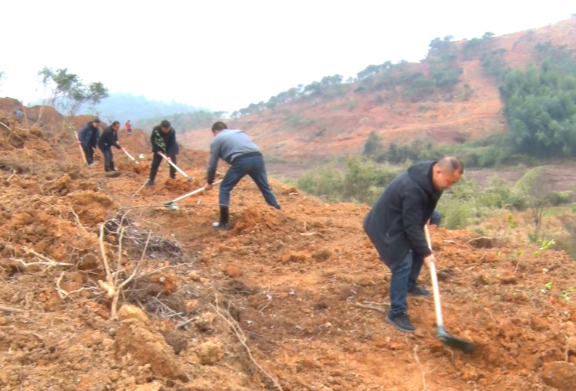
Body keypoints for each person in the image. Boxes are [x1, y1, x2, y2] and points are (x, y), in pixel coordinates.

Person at [363, 157, 463, 333]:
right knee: (403, 263)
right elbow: (410, 226)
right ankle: (396, 312)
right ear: (438, 172)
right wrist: (426, 253)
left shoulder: (433, 179)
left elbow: (424, 209)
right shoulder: (413, 188)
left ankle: (409, 284)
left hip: (402, 216)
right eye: (449, 182)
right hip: (385, 225)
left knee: (420, 244)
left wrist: (426, 221)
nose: (450, 186)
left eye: (453, 183)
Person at [204, 121, 280, 230]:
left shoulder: (217, 139)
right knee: (265, 187)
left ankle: (224, 223)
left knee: (224, 188)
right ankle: (278, 214)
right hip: (258, 157)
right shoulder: (239, 132)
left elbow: (212, 165)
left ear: (216, 132)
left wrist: (209, 182)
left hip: (241, 161)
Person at [146, 120, 179, 186]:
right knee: (155, 163)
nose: (167, 131)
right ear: (161, 128)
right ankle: (151, 180)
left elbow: (172, 144)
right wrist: (157, 149)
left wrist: (169, 155)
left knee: (172, 163)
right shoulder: (156, 130)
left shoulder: (172, 131)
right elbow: (153, 140)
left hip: (170, 146)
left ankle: (172, 179)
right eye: (165, 129)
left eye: (168, 129)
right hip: (159, 146)